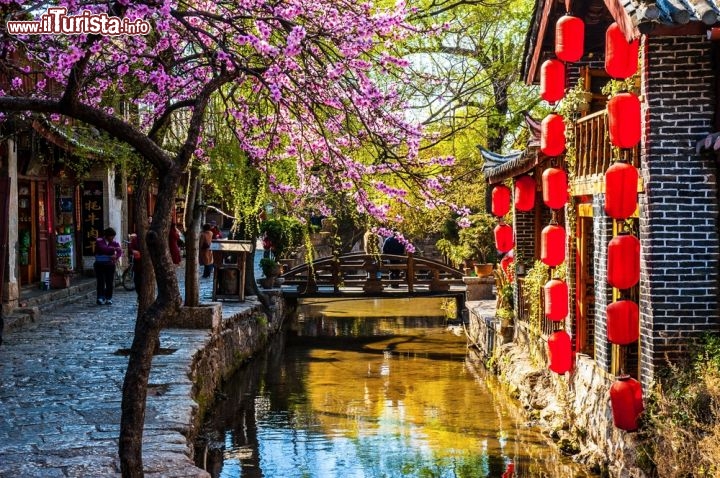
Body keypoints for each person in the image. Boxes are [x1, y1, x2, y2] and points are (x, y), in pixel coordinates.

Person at [94, 227, 122, 305]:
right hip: (100, 264)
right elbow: (103, 249)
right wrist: (113, 250)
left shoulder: (115, 242)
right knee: (101, 281)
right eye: (111, 236)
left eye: (113, 236)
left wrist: (116, 257)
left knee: (109, 282)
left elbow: (119, 251)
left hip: (110, 265)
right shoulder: (99, 241)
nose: (112, 238)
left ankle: (108, 298)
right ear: (106, 235)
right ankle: (100, 297)